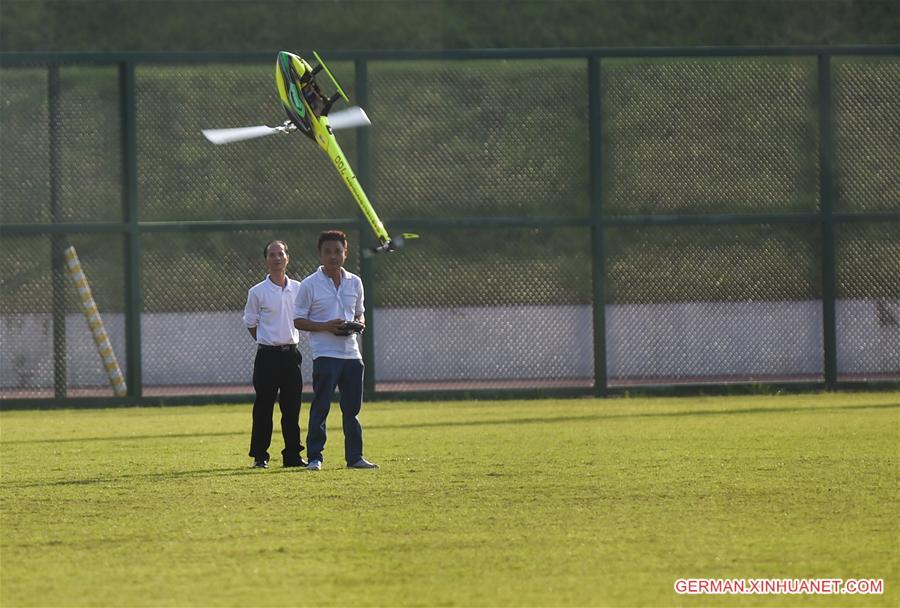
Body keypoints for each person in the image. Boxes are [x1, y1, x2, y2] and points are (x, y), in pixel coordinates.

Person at [293, 230, 378, 470]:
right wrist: (326, 327)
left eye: (338, 251)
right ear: (320, 254)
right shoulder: (309, 284)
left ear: (345, 253)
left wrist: (359, 323)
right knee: (321, 407)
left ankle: (355, 458)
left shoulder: (355, 281)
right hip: (325, 355)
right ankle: (315, 457)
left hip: (352, 354)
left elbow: (360, 311)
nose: (333, 256)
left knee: (352, 410)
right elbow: (298, 320)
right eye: (328, 252)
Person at [242, 240, 306, 469]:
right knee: (263, 407)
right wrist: (267, 341)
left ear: (287, 258)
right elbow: (250, 323)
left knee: (292, 407)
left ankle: (292, 455)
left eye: (281, 254)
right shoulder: (257, 292)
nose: (277, 258)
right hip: (267, 357)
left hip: (291, 355)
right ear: (266, 260)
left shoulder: (299, 288)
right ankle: (260, 456)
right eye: (272, 254)